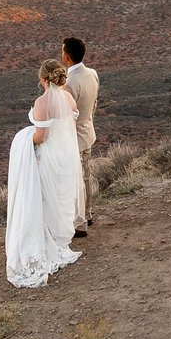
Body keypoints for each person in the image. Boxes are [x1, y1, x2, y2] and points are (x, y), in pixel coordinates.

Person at [2, 56, 83, 288]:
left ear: (42, 79)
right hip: (66, 156)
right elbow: (69, 124)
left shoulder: (41, 103)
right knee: (60, 195)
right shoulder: (68, 98)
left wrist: (24, 137)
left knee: (45, 198)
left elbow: (41, 137)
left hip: (49, 156)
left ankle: (47, 241)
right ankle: (59, 238)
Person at [63, 37, 99, 235]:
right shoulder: (92, 74)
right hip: (88, 131)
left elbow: (66, 116)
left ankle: (79, 224)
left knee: (75, 180)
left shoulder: (69, 83)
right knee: (86, 176)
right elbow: (93, 104)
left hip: (73, 138)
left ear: (67, 57)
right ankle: (88, 213)